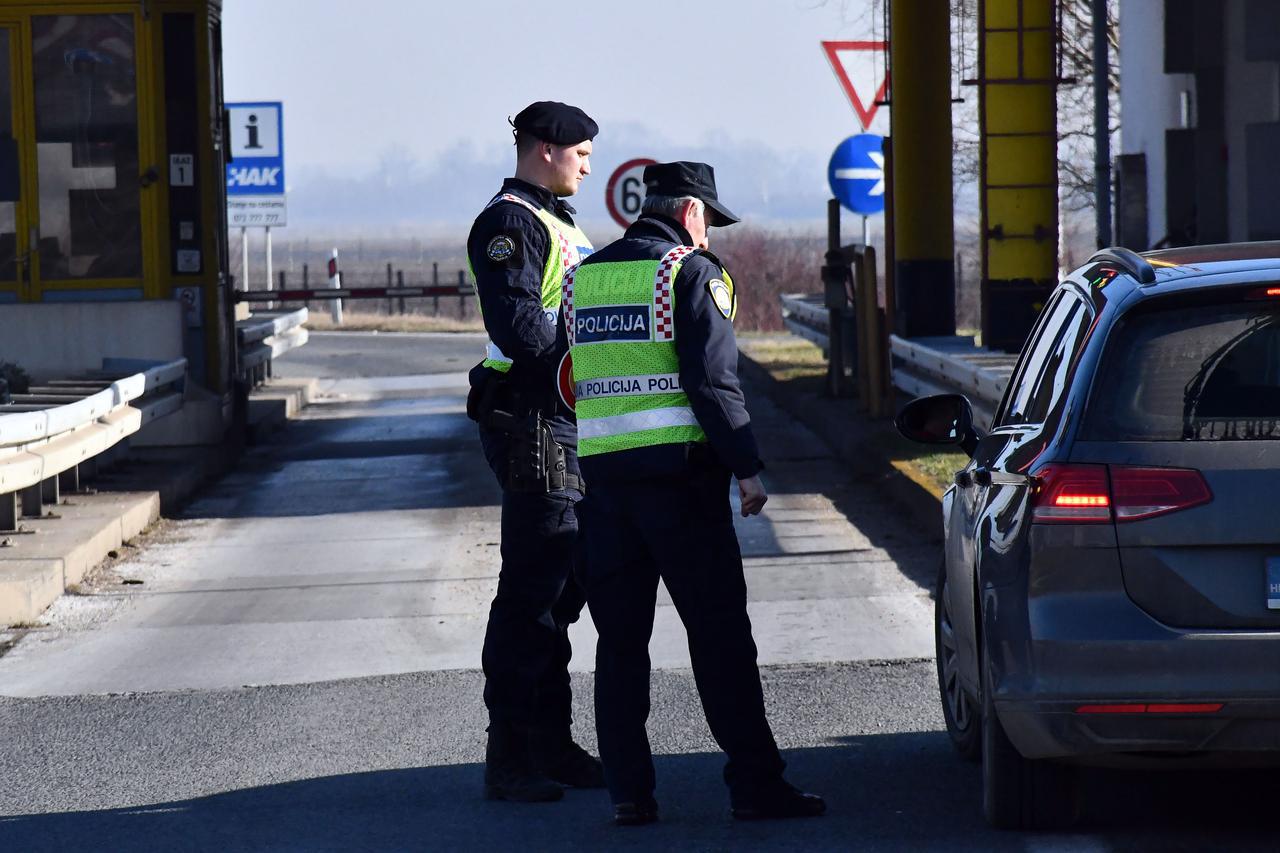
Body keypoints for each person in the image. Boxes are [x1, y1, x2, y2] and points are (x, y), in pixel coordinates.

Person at [560, 161, 826, 825]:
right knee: (719, 639)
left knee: (619, 645)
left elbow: (564, 376)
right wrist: (747, 466)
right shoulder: (690, 271)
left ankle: (629, 792)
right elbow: (712, 383)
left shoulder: (583, 277)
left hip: (604, 489)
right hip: (680, 489)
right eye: (708, 219)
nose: (709, 233)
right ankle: (755, 785)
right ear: (688, 212)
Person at [465, 101, 604, 802]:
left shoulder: (557, 219)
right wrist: (592, 345)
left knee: (563, 588)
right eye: (580, 149)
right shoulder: (509, 223)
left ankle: (551, 744)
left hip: (565, 418)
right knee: (532, 590)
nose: (588, 161)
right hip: (532, 419)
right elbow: (521, 327)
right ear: (546, 148)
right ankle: (509, 756)